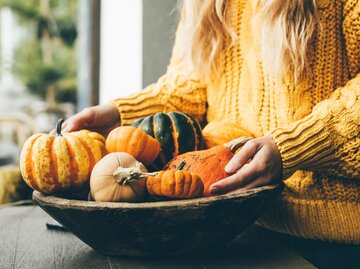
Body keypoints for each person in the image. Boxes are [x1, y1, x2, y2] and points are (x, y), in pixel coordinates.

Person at [63, 0, 359, 243]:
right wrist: (123, 114)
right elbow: (192, 85)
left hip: (332, 237)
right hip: (234, 225)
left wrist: (295, 147)